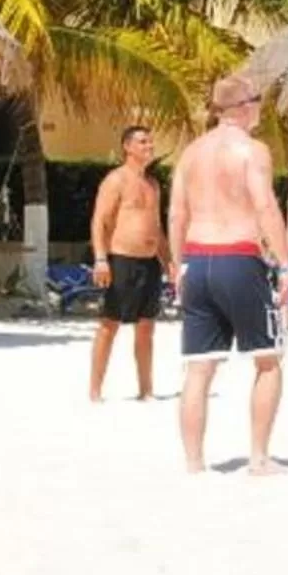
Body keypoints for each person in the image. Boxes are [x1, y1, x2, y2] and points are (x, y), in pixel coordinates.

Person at [168, 76, 288, 475]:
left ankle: (193, 462)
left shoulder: (190, 153)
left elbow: (176, 214)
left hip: (196, 258)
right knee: (268, 361)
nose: (260, 107)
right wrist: (285, 263)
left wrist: (177, 265)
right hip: (239, 257)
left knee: (199, 367)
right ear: (242, 107)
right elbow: (265, 207)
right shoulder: (251, 151)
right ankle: (258, 457)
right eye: (257, 100)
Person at [89, 125, 176, 403]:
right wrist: (101, 258)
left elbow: (157, 227)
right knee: (109, 324)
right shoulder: (115, 180)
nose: (149, 146)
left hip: (149, 263)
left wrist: (169, 260)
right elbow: (99, 221)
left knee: (146, 326)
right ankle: (95, 389)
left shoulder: (153, 184)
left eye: (151, 142)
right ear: (127, 146)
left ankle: (146, 389)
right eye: (142, 142)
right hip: (120, 259)